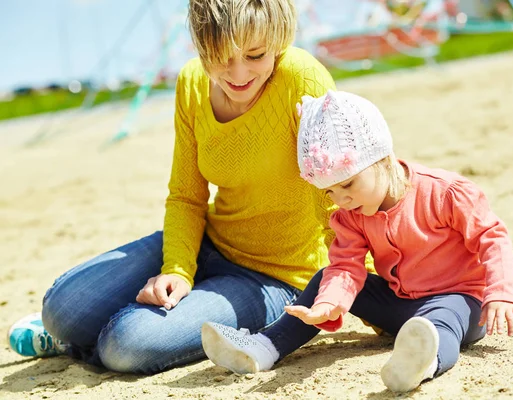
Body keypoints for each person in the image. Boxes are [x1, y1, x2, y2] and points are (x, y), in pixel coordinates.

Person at [7, 0, 339, 374]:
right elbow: (187, 195)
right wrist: (178, 269)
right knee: (61, 309)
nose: (239, 73)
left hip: (277, 278)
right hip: (211, 242)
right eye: (220, 57)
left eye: (255, 55)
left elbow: (335, 192)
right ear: (200, 45)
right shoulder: (192, 82)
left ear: (277, 39)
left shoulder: (302, 78)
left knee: (126, 346)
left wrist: (363, 287)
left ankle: (86, 344)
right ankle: (78, 334)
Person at [200, 90, 513, 393]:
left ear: (382, 158)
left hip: (463, 303)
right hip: (401, 304)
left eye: (349, 184)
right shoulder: (352, 214)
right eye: (330, 192)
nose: (342, 199)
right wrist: (328, 302)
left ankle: (421, 364)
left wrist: (500, 294)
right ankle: (266, 345)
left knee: (441, 318)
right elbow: (345, 267)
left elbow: (491, 237)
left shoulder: (445, 192)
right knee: (324, 278)